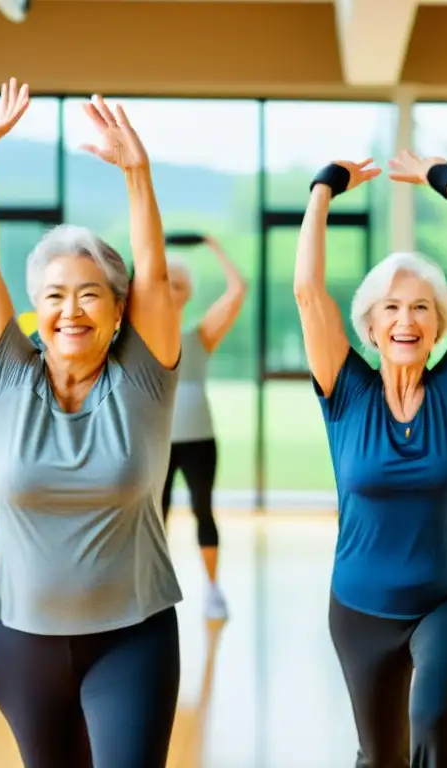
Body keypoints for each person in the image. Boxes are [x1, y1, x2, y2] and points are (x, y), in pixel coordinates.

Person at [0, 79, 183, 767]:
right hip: (20, 641)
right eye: (54, 296)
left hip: (133, 638)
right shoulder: (4, 378)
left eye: (91, 295)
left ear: (120, 312)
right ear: (35, 310)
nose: (71, 310)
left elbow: (150, 267)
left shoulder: (143, 379)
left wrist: (136, 173)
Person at [294, 150, 447, 765]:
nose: (406, 319)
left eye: (421, 308)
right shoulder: (345, 390)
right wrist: (324, 190)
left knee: (434, 720)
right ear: (371, 324)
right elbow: (307, 290)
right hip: (361, 606)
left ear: (439, 325)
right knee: (379, 755)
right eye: (391, 307)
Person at [162, 239, 247, 620]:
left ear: (188, 293)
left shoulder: (200, 335)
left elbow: (238, 290)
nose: (168, 288)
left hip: (199, 440)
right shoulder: (138, 336)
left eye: (177, 283)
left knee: (202, 510)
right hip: (156, 441)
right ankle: (153, 592)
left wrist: (214, 245)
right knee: (153, 515)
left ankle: (212, 589)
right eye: (162, 280)